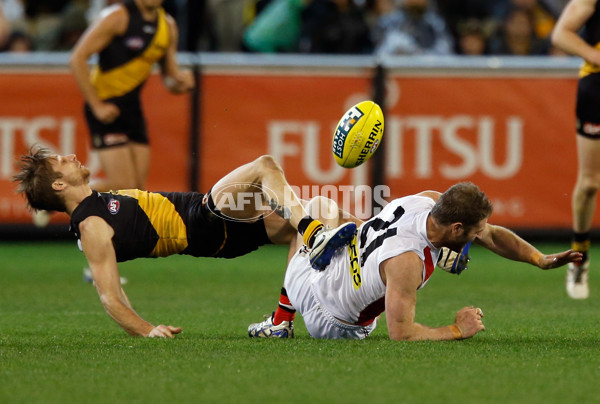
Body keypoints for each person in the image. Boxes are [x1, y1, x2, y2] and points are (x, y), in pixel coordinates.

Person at [12, 148, 357, 338]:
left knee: (328, 210)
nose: (70, 155)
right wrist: (148, 331)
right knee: (265, 166)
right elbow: (110, 297)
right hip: (204, 220)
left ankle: (282, 320)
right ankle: (313, 232)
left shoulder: (96, 206)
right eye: (61, 161)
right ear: (58, 186)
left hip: (220, 233)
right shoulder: (91, 226)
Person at [248, 183, 582, 341]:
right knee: (308, 223)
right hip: (334, 323)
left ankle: (282, 315)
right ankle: (281, 321)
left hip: (343, 277)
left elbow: (493, 235)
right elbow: (402, 334)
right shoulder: (408, 261)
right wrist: (456, 330)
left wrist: (539, 259)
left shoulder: (426, 201)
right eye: (473, 231)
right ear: (456, 228)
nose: (480, 236)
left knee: (318, 210)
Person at [69, 0, 194, 192]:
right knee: (124, 187)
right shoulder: (117, 17)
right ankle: (62, 194)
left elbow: (169, 77)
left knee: (137, 191)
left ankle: (70, 193)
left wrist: (181, 83)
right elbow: (77, 57)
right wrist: (96, 106)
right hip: (106, 106)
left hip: (133, 109)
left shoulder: (167, 25)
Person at [551, 0, 600, 299]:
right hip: (597, 86)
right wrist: (594, 54)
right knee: (590, 183)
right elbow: (561, 34)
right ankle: (580, 256)